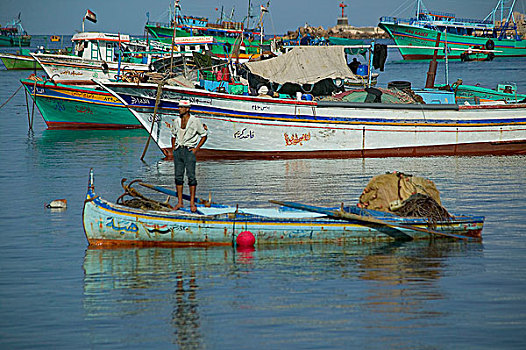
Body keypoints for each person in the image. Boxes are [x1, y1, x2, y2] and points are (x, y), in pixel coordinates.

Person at [171, 100, 208, 212]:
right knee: (178, 177)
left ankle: (192, 203)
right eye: (179, 107)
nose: (179, 109)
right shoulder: (176, 121)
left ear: (187, 109)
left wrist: (196, 149)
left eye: (182, 107)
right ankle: (180, 202)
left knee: (191, 177)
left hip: (189, 151)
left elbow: (204, 135)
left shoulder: (195, 121)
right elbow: (173, 135)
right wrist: (173, 148)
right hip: (179, 150)